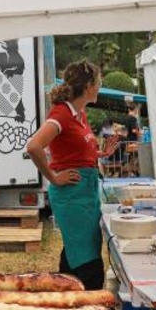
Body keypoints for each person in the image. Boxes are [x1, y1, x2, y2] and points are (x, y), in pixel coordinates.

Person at [26, 61, 118, 290]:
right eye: (98, 83)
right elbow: (34, 146)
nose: (99, 87)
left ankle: (64, 295)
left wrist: (100, 152)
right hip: (72, 196)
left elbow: (73, 150)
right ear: (88, 86)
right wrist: (53, 177)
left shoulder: (80, 113)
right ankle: (87, 300)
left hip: (85, 193)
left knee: (79, 251)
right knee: (87, 260)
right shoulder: (62, 113)